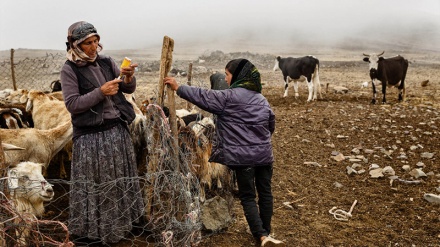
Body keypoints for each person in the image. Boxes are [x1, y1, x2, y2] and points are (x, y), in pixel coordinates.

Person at [164, 59, 285, 247]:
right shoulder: (262, 100)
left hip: (245, 159)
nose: (226, 80)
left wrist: (179, 87)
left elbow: (203, 96)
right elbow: (271, 126)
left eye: (228, 75)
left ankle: (261, 236)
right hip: (265, 156)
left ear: (237, 76)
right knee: (265, 193)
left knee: (248, 196)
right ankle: (267, 232)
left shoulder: (229, 97)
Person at [60, 21, 145, 244]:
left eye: (96, 41)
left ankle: (127, 223)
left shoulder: (106, 62)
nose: (94, 47)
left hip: (117, 131)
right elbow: (73, 104)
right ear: (75, 44)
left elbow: (128, 88)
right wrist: (101, 92)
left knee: (120, 182)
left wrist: (127, 76)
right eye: (87, 43)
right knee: (98, 187)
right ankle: (94, 234)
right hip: (91, 139)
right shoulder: (70, 69)